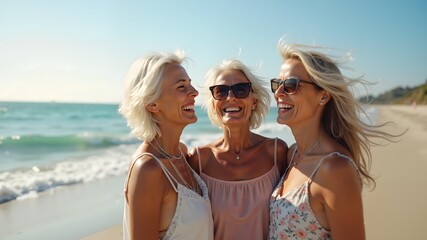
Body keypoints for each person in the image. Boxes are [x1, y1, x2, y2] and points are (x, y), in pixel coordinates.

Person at [268, 42, 399, 240]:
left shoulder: (336, 169)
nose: (278, 93)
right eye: (277, 84)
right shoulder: (293, 153)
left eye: (291, 86)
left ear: (324, 96)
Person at [187, 59, 288, 240]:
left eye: (241, 90)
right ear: (213, 103)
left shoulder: (276, 152)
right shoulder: (199, 160)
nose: (231, 97)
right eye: (221, 91)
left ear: (254, 101)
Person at [119, 51, 214, 240]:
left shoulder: (181, 153)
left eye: (190, 83)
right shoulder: (147, 169)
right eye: (181, 87)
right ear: (152, 104)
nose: (194, 92)